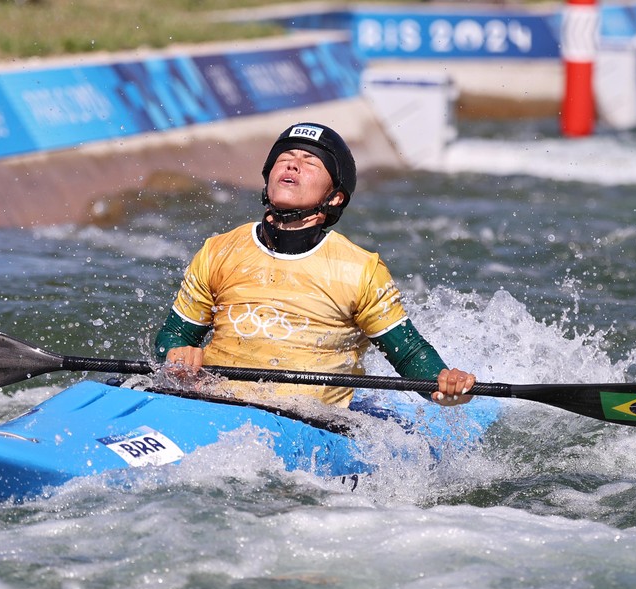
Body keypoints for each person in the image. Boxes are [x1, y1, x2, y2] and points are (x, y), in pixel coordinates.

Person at [154, 122, 475, 408]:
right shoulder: (218, 251)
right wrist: (176, 354)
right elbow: (174, 335)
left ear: (334, 197)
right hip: (214, 406)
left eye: (310, 161)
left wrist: (444, 383)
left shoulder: (360, 270)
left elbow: (408, 354)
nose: (293, 163)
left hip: (311, 424)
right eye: (285, 157)